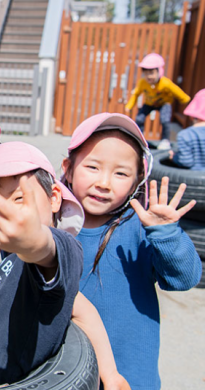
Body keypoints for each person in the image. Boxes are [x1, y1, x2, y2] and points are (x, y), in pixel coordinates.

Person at [0, 141, 128, 390]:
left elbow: (48, 250)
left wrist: (36, 242)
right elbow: (84, 310)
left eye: (19, 198)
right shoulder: (9, 259)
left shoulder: (54, 252)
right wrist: (111, 375)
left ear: (54, 198)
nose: (8, 213)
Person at [61, 113, 202, 389]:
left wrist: (166, 233)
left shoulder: (140, 228)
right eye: (93, 167)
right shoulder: (50, 227)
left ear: (138, 179)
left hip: (129, 379)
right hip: (64, 375)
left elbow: (185, 278)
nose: (104, 182)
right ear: (68, 167)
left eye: (121, 173)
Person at [124, 53, 190, 150]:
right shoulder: (143, 83)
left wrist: (185, 100)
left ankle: (165, 141)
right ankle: (138, 139)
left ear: (159, 72)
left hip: (164, 103)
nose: (149, 76)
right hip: (149, 103)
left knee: (165, 120)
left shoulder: (165, 83)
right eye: (146, 74)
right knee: (139, 118)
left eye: (151, 73)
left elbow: (176, 91)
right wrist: (129, 106)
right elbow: (136, 94)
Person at [169, 88, 205, 170]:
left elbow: (186, 162)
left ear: (192, 116)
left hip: (194, 180)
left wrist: (174, 157)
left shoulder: (186, 135)